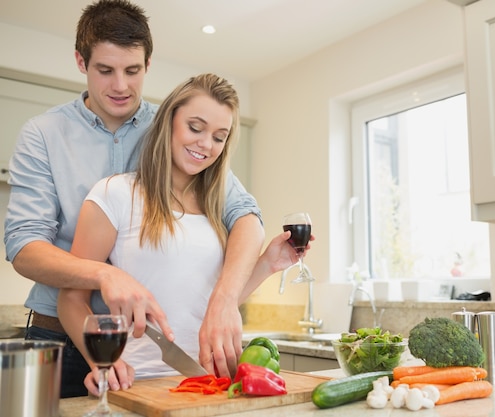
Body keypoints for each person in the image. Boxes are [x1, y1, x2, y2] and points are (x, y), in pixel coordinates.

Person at [3, 0, 264, 398]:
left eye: (133, 70)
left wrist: (226, 299)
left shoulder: (173, 128)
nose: (121, 86)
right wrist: (105, 274)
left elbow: (245, 214)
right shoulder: (43, 133)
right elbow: (24, 247)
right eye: (105, 70)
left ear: (148, 64)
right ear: (80, 61)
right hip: (58, 330)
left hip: (138, 347)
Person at [57, 73, 305, 395]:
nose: (206, 144)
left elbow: (209, 303)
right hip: (139, 385)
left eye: (219, 137)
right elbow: (71, 299)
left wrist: (267, 265)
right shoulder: (115, 194)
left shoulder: (217, 209)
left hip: (212, 384)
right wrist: (100, 361)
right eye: (195, 128)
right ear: (169, 122)